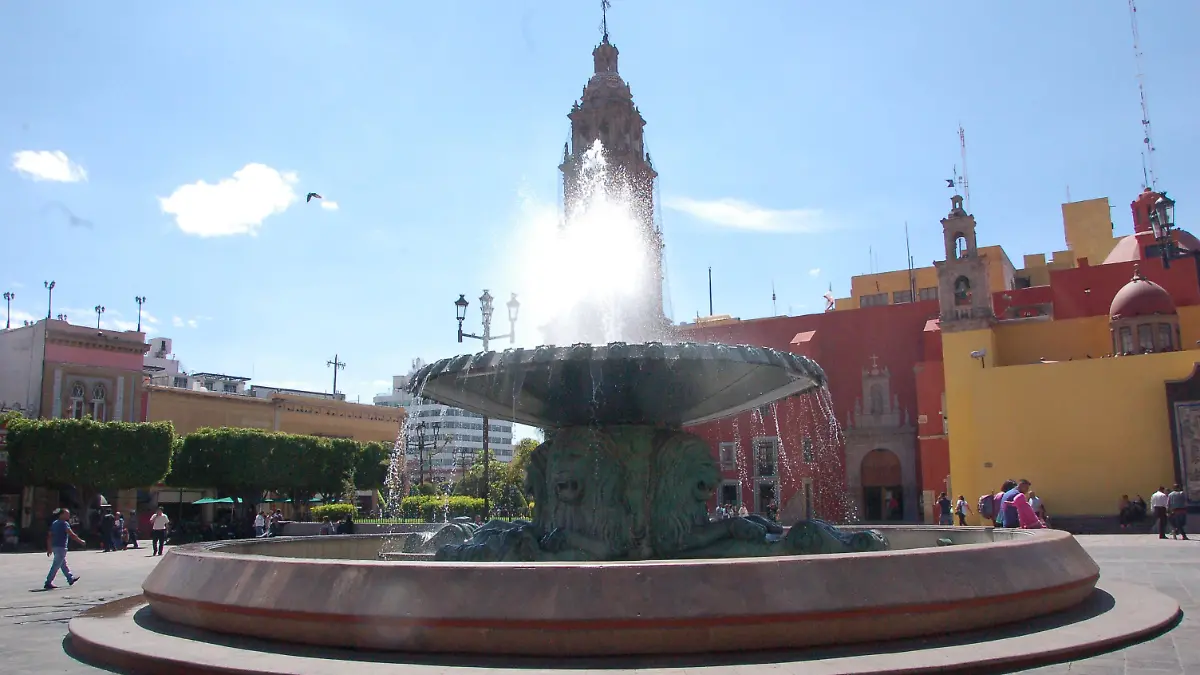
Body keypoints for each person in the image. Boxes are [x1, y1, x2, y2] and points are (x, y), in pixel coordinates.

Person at [45, 509, 85, 589]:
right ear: (61, 514)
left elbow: (50, 536)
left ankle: (70, 578)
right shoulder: (64, 524)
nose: (68, 516)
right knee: (56, 565)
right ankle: (48, 582)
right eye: (67, 514)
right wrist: (81, 541)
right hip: (61, 547)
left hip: (55, 546)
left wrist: (49, 547)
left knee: (63, 564)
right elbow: (72, 534)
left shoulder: (54, 523)